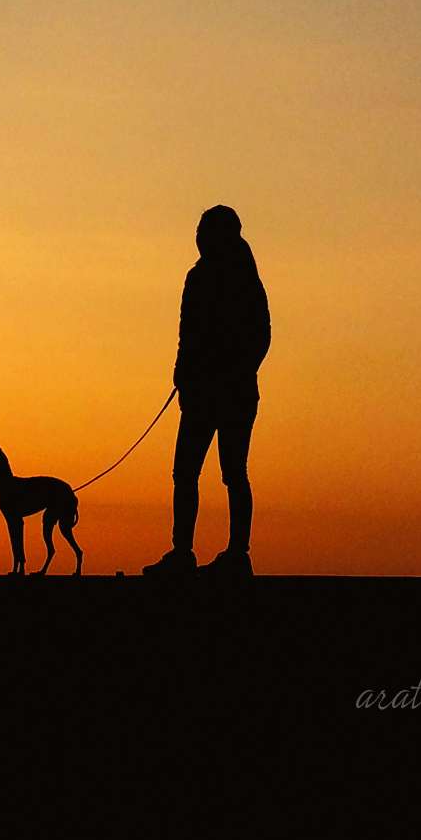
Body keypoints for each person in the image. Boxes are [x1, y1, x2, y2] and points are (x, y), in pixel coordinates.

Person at [145, 206, 269, 578]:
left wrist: (233, 372)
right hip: (203, 393)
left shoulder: (243, 279)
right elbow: (188, 336)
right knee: (187, 472)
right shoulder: (198, 277)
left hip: (231, 393)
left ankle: (236, 554)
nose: (197, 237)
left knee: (230, 472)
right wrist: (183, 374)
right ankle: (184, 552)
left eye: (203, 231)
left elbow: (260, 337)